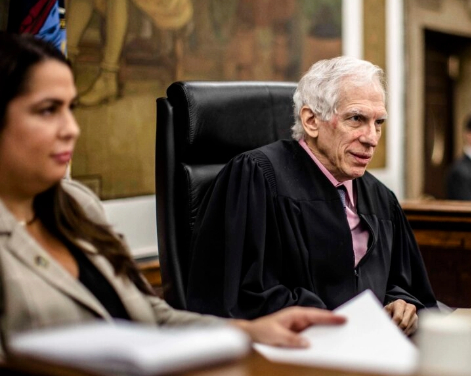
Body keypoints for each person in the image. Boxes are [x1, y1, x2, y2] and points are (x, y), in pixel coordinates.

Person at [0, 33, 345, 359]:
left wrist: (248, 332)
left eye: (70, 109)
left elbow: (153, 316)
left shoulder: (78, 205)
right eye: (48, 110)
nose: (71, 129)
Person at [188, 57, 438, 335]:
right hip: (294, 356)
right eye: (356, 119)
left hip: (373, 353)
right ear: (311, 121)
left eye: (378, 122)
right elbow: (243, 295)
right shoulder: (256, 178)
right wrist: (342, 323)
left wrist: (400, 305)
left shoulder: (380, 198)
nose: (372, 137)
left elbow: (406, 287)